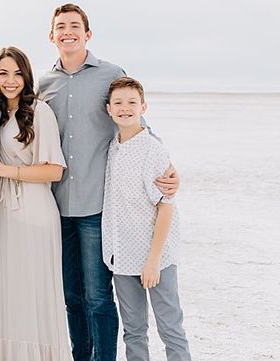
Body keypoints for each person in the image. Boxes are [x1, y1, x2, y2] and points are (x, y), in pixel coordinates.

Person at [38, 4, 180, 361]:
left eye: (75, 26)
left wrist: (167, 167)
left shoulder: (110, 74)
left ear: (88, 34)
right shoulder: (43, 84)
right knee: (70, 297)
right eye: (60, 27)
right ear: (51, 36)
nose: (67, 32)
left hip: (97, 206)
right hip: (55, 205)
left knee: (98, 297)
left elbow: (134, 122)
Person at [0, 47, 71, 361]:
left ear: (26, 75)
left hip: (34, 212)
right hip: (2, 214)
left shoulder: (38, 110)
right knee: (7, 294)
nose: (10, 80)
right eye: (3, 73)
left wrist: (6, 171)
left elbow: (54, 171)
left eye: (17, 73)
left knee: (33, 294)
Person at [103, 77, 192, 361]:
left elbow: (166, 206)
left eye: (131, 102)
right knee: (133, 330)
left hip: (156, 258)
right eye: (118, 103)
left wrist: (153, 262)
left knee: (170, 328)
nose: (124, 108)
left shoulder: (152, 149)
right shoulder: (112, 146)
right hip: (122, 256)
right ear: (108, 109)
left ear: (144, 107)